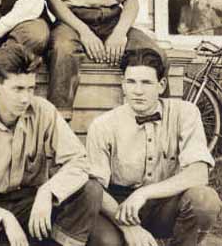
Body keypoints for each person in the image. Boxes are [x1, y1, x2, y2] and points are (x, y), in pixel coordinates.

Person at [0, 43, 102, 246]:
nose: (25, 98)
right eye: (17, 89)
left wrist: (48, 191)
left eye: (30, 89)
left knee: (90, 189)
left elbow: (79, 161)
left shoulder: (44, 111)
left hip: (31, 205)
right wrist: (2, 218)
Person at [86, 48, 222, 246]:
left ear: (161, 85)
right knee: (108, 242)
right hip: (118, 206)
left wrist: (144, 193)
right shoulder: (103, 125)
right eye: (131, 82)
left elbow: (199, 174)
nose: (138, 91)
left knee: (205, 200)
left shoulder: (185, 113)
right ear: (123, 85)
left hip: (165, 203)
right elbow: (95, 188)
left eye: (146, 83)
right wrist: (128, 227)